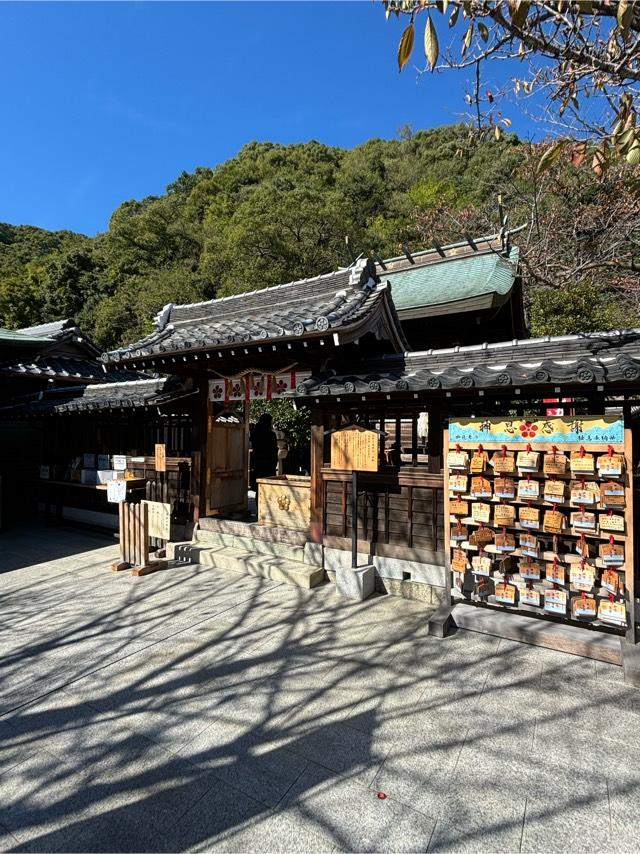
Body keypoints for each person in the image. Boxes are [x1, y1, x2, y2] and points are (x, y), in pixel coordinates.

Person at [250, 413, 278, 513]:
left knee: (259, 489)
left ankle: (259, 510)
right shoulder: (271, 434)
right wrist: (274, 463)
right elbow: (274, 450)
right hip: (268, 464)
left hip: (257, 464)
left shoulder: (254, 433)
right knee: (269, 488)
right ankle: (268, 511)